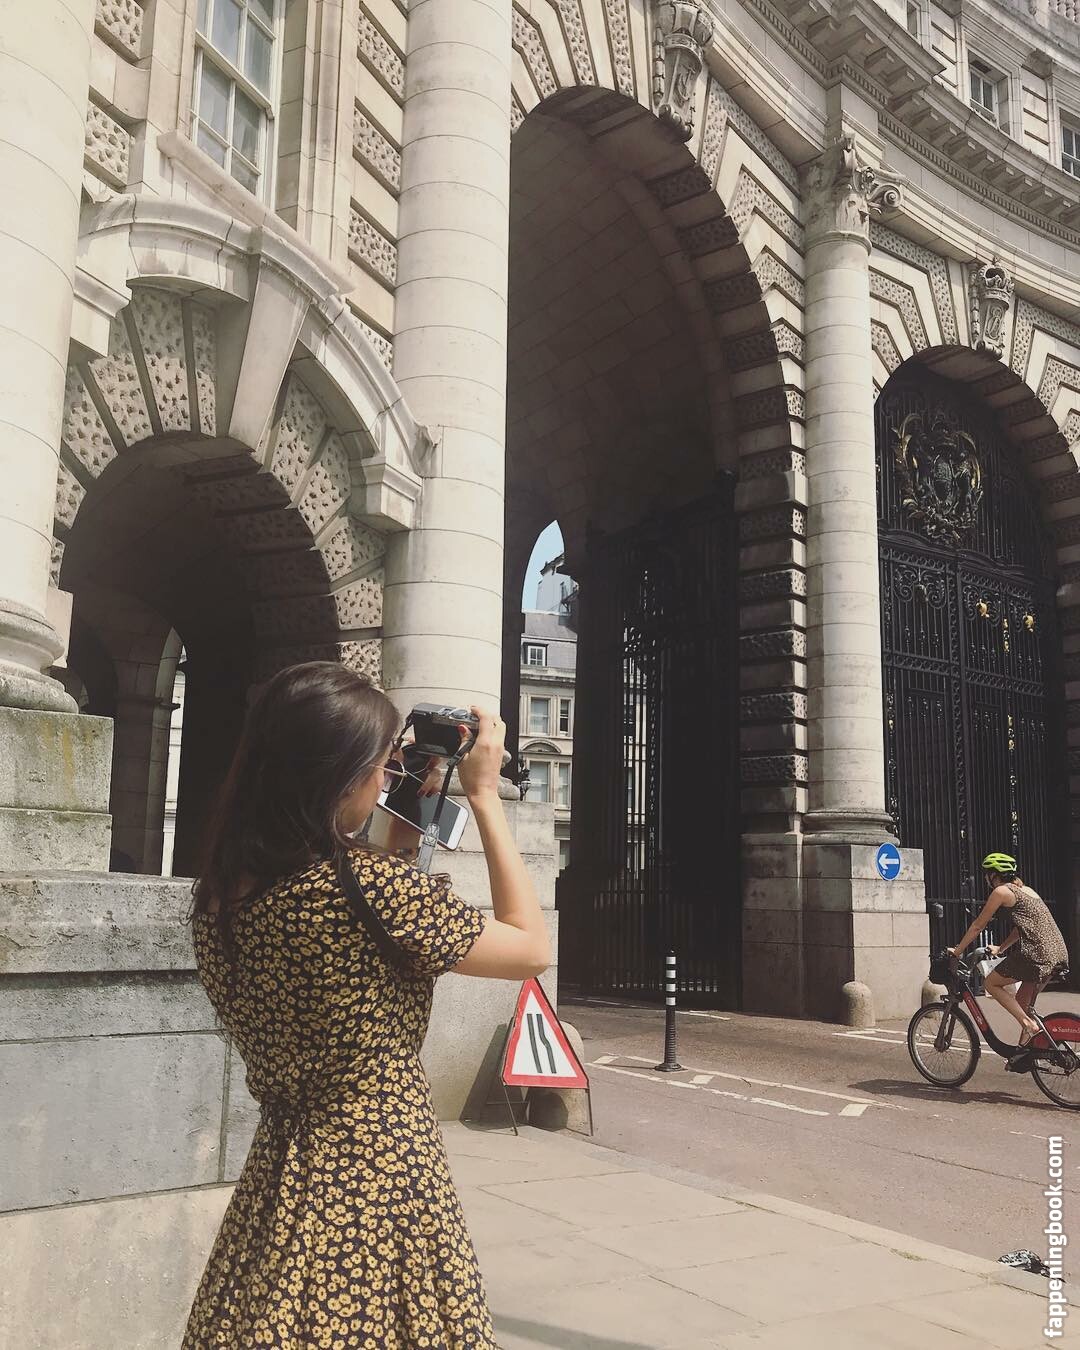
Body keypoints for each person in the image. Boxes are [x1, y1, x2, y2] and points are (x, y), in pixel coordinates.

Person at [182, 662, 551, 1349]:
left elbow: (366, 921)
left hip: (282, 1172)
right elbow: (530, 948)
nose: (387, 780)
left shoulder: (219, 897)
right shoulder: (373, 890)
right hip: (382, 1176)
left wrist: (406, 808)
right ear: (337, 776)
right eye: (381, 767)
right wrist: (484, 798)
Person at [948, 851, 1069, 1070]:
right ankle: (1024, 1054)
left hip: (1036, 954)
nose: (986, 878)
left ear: (993, 875)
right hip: (1057, 952)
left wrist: (957, 951)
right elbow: (1021, 927)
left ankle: (1028, 1025)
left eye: (987, 874)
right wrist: (1001, 948)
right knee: (1023, 1004)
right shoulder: (1026, 890)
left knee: (991, 983)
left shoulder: (1001, 891)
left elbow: (978, 925)